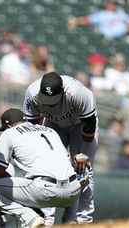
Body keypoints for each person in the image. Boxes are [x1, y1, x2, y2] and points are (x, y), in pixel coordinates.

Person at [0, 108, 82, 228]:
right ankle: (70, 219)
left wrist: (22, 199)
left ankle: (30, 218)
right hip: (74, 191)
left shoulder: (10, 133)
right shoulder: (50, 130)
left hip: (45, 191)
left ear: (8, 126)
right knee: (70, 178)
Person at [22, 72, 98, 224]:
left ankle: (83, 220)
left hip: (80, 125)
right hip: (53, 125)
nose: (50, 104)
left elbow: (89, 126)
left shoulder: (78, 93)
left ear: (62, 92)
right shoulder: (32, 93)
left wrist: (82, 153)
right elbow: (31, 129)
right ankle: (46, 220)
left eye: (53, 100)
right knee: (47, 169)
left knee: (84, 171)